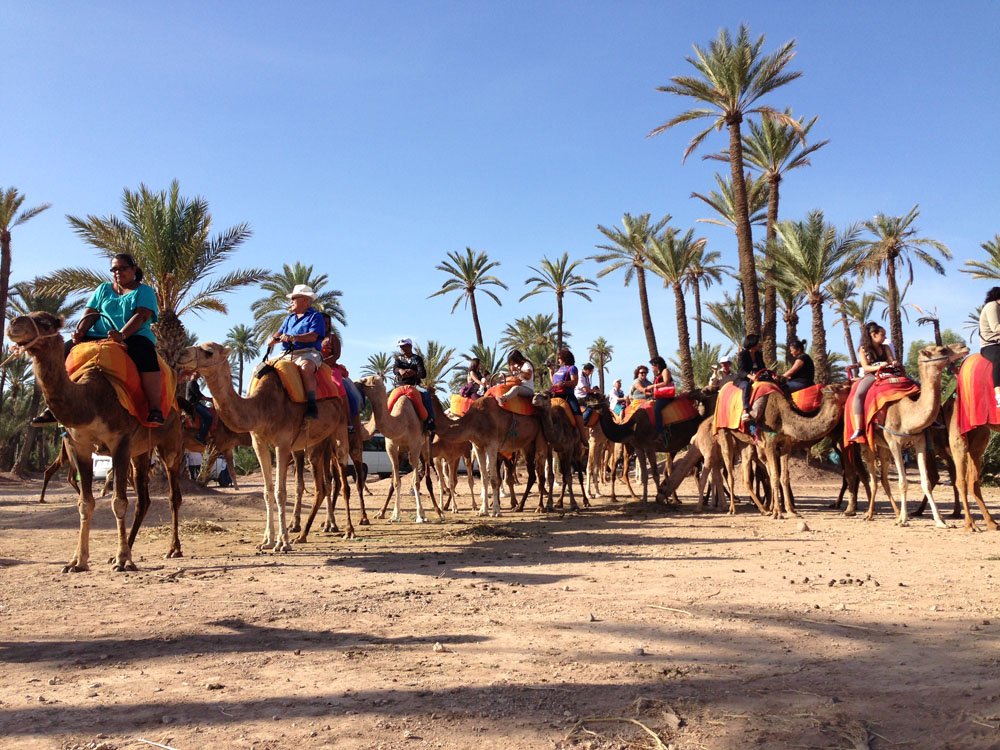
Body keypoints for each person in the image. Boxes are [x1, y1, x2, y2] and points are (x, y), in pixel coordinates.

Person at [33, 252, 163, 425]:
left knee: (145, 353)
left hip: (133, 335)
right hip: (97, 335)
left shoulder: (144, 291)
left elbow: (142, 315)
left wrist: (122, 335)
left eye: (123, 268)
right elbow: (91, 313)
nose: (118, 272)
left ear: (134, 269)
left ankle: (155, 408)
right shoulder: (103, 289)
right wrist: (80, 331)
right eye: (114, 269)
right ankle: (53, 406)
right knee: (62, 351)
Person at [270, 284, 325, 420]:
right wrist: (273, 339)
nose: (291, 301)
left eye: (294, 298)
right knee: (261, 369)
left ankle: (311, 405)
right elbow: (279, 333)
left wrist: (293, 337)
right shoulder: (289, 318)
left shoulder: (315, 317)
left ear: (305, 300)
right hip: (286, 354)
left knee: (306, 367)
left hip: (308, 352)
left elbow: (313, 336)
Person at [847, 322, 899, 441]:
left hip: (888, 373)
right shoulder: (863, 349)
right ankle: (859, 428)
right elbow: (866, 367)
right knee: (858, 395)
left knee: (914, 386)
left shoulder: (885, 347)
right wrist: (880, 366)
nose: (885, 337)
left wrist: (893, 362)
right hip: (871, 375)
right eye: (882, 334)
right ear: (873, 335)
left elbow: (891, 360)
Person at [393, 338, 436, 433]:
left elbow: (423, 374)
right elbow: (394, 369)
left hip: (414, 385)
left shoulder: (417, 359)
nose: (402, 348)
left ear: (410, 346)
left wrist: (413, 373)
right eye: (401, 347)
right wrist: (400, 370)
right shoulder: (398, 359)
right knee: (387, 397)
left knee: (426, 393)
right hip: (400, 386)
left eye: (404, 346)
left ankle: (430, 420)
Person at [735, 334, 767, 424]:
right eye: (758, 342)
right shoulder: (743, 354)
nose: (760, 343)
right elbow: (741, 371)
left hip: (757, 377)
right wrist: (751, 376)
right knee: (747, 386)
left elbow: (763, 368)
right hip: (743, 379)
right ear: (753, 343)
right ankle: (745, 410)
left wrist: (769, 374)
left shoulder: (758, 354)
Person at [979, 287, 1000, 408]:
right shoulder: (992, 305)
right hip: (990, 345)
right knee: (999, 357)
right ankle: (999, 395)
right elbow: (995, 327)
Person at [645, 356, 675, 435]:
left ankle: (660, 431)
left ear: (657, 365)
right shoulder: (657, 375)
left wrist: (652, 386)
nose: (651, 367)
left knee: (657, 409)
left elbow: (666, 382)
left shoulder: (665, 371)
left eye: (652, 365)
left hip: (667, 397)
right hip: (660, 397)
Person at [184, 372, 213, 445]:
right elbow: (200, 396)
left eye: (198, 375)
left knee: (209, 410)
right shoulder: (192, 383)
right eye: (195, 374)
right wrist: (211, 399)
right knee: (209, 417)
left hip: (195, 404)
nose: (197, 376)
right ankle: (200, 436)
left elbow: (199, 396)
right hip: (193, 405)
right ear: (192, 375)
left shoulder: (193, 383)